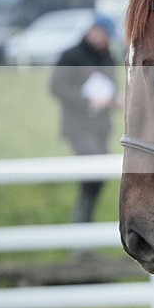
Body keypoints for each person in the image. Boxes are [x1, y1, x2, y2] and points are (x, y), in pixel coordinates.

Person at [50, 15, 119, 224]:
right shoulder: (71, 56)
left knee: (98, 177)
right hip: (78, 125)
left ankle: (83, 230)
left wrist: (112, 99)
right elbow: (56, 87)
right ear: (94, 31)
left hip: (101, 126)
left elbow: (110, 85)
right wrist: (88, 100)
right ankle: (80, 228)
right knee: (92, 172)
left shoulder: (107, 56)